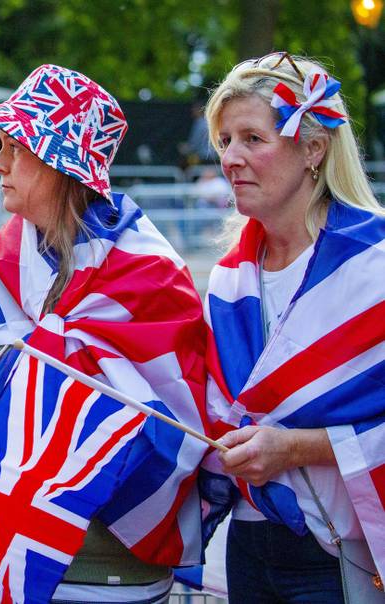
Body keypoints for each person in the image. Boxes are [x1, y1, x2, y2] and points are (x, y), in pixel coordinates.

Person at [0, 64, 208, 603]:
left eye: (14, 149)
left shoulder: (153, 281)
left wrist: (48, 447)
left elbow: (182, 430)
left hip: (112, 576)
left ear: (61, 165)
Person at [202, 52, 385, 602]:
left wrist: (295, 448)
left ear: (313, 149)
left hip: (342, 552)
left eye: (252, 139)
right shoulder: (228, 279)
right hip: (249, 544)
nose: (230, 158)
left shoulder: (373, 266)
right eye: (225, 140)